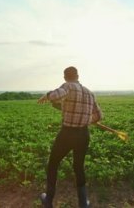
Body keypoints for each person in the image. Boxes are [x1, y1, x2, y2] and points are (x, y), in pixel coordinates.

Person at [37, 66, 103, 208]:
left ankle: (48, 201)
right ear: (78, 75)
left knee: (53, 164)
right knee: (78, 166)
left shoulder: (68, 86)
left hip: (67, 134)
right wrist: (86, 119)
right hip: (84, 134)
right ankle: (83, 203)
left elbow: (55, 96)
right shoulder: (90, 93)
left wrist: (47, 95)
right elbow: (99, 116)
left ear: (65, 77)